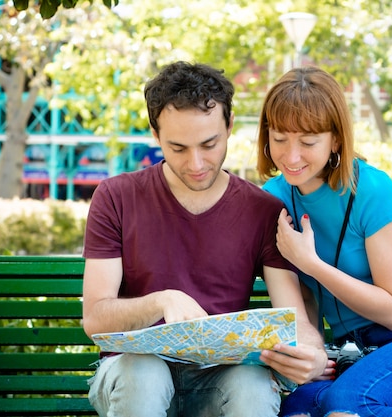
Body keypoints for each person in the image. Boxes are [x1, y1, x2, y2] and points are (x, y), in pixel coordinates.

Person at [82, 61, 327, 417]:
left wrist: (311, 353)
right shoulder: (116, 197)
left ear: (229, 127)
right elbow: (95, 318)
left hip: (220, 379)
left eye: (209, 144)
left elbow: (293, 318)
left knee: (253, 384)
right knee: (146, 375)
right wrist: (160, 302)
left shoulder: (262, 210)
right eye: (178, 148)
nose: (196, 163)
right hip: (134, 374)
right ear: (155, 133)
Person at [256, 66, 392, 417]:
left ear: (336, 140)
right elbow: (303, 308)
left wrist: (312, 263)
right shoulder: (271, 201)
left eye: (308, 142)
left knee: (350, 404)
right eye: (280, 138)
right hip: (354, 355)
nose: (291, 155)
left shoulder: (372, 190)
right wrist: (308, 354)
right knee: (299, 409)